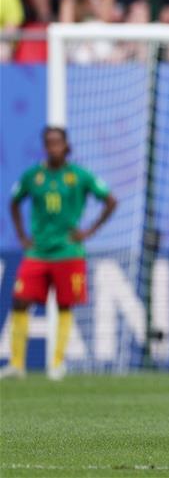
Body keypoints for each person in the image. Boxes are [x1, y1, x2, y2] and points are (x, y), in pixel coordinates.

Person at [1, 127, 116, 380]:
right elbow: (13, 202)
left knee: (64, 305)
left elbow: (110, 200)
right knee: (20, 301)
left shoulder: (79, 176)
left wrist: (90, 231)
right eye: (49, 143)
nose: (53, 147)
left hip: (68, 250)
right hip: (38, 251)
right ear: (45, 146)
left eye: (57, 142)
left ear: (66, 146)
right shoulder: (34, 176)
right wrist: (22, 236)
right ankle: (17, 364)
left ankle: (57, 364)